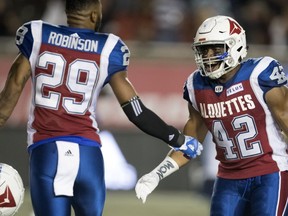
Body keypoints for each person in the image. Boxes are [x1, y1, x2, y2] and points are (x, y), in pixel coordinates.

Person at [0, 0, 203, 215]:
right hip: (88, 156)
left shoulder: (38, 34)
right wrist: (177, 139)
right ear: (95, 15)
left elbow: (9, 95)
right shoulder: (107, 47)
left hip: (47, 151)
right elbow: (136, 111)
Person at [135, 15, 288, 216]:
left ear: (236, 46)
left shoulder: (259, 75)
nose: (208, 56)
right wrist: (157, 174)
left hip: (270, 173)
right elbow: (189, 144)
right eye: (204, 50)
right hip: (228, 178)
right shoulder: (196, 85)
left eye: (216, 49)